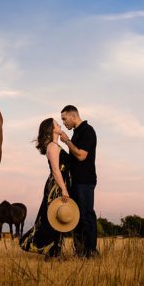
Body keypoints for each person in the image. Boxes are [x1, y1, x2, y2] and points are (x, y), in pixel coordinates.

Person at [19, 118, 71, 258]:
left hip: (59, 185)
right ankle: (48, 250)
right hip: (56, 186)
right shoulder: (52, 147)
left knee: (58, 219)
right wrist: (64, 189)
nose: (60, 125)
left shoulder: (55, 145)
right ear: (51, 129)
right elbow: (55, 170)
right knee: (52, 218)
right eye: (57, 123)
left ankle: (54, 253)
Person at [60, 105, 99, 258]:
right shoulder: (77, 133)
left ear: (73, 116)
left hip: (85, 181)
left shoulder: (88, 131)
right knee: (76, 217)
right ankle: (80, 252)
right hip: (75, 181)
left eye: (64, 119)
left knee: (86, 215)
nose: (64, 122)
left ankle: (91, 251)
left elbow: (81, 156)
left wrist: (67, 141)